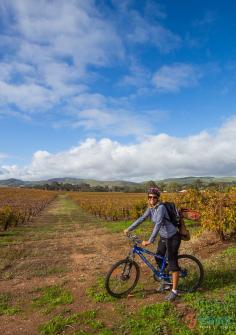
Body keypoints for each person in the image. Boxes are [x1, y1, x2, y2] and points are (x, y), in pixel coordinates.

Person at [124, 187, 181, 301]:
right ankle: (166, 282)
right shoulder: (151, 208)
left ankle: (174, 291)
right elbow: (142, 218)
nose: (152, 199)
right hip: (164, 237)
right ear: (148, 198)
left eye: (154, 197)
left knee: (172, 264)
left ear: (158, 198)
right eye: (150, 197)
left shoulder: (160, 208)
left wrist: (150, 240)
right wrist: (129, 229)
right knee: (159, 258)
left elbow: (158, 224)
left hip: (173, 237)